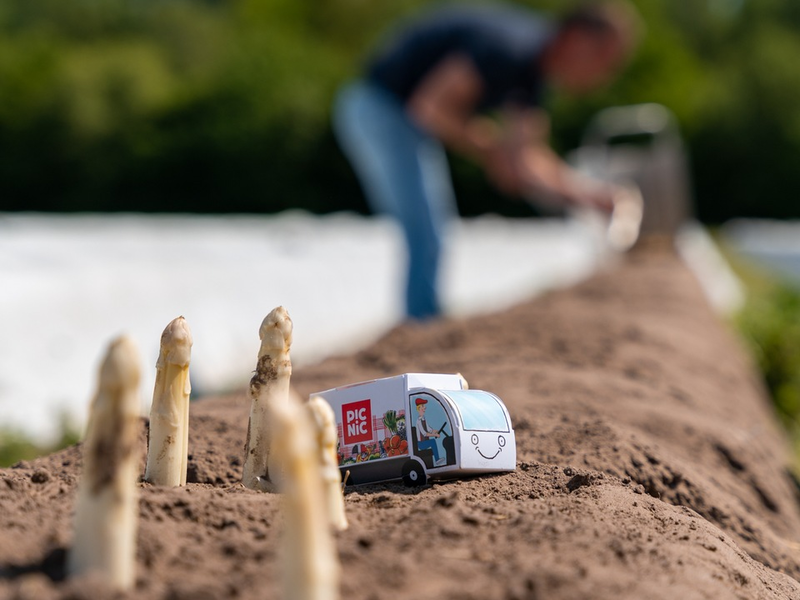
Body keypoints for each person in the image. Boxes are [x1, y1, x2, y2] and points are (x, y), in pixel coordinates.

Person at [333, 1, 641, 320]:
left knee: (432, 230)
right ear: (577, 38)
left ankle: (424, 322)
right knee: (426, 229)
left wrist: (590, 196)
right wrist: (493, 150)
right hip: (380, 107)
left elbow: (526, 162)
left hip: (403, 116)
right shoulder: (510, 49)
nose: (605, 76)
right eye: (605, 59)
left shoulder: (533, 75)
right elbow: (429, 107)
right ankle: (421, 330)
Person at [414, 397, 446, 466]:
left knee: (432, 441)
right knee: (433, 442)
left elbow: (429, 429)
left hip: (424, 442)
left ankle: (437, 459)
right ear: (419, 408)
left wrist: (435, 431)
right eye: (423, 406)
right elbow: (425, 434)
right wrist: (435, 435)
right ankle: (437, 460)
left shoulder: (423, 419)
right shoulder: (419, 421)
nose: (424, 408)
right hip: (421, 444)